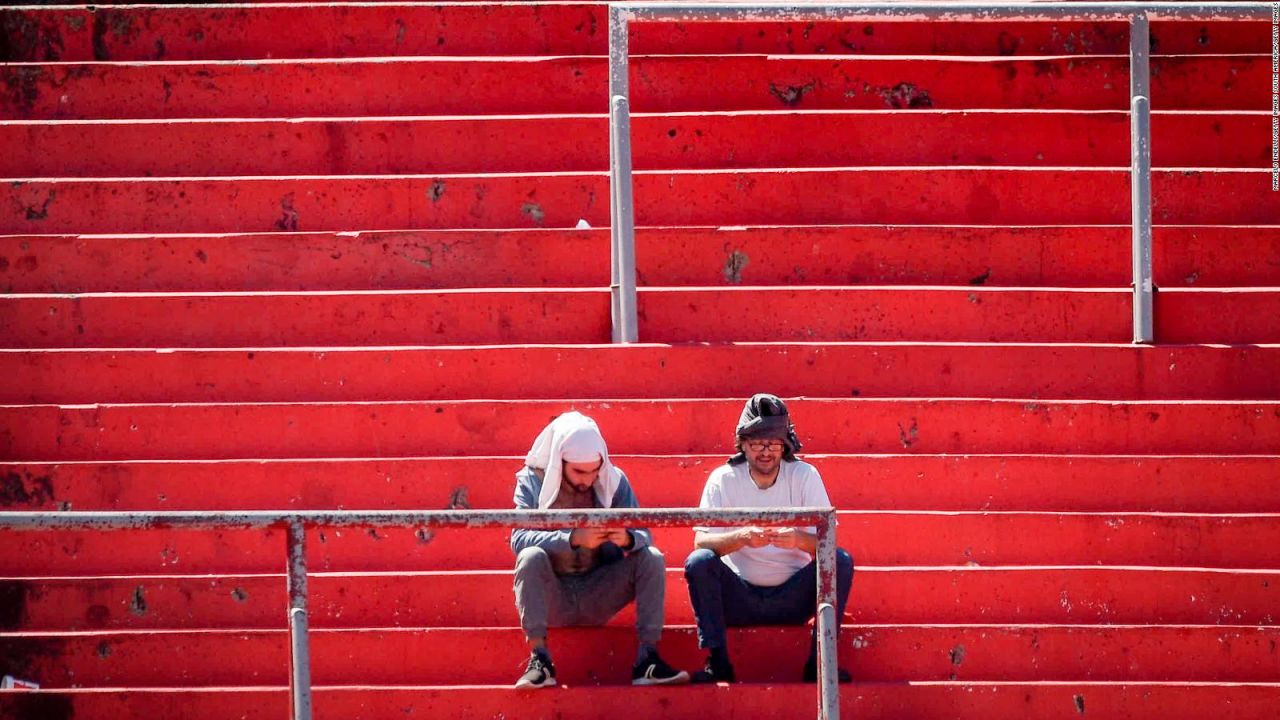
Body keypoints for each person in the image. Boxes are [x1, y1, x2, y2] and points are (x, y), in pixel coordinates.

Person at [510, 411, 689, 689]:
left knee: (651, 558)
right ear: (559, 462)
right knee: (529, 557)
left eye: (594, 471)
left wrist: (626, 539)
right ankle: (540, 659)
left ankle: (648, 659)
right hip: (553, 592)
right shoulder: (532, 481)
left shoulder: (613, 481)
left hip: (600, 590)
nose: (588, 480)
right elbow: (518, 539)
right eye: (579, 472)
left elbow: (644, 534)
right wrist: (573, 538)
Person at [684, 394, 854, 683]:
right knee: (699, 562)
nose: (765, 452)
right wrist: (741, 538)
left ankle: (819, 665)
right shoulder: (722, 478)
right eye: (756, 444)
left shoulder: (804, 475)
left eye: (773, 444)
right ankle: (718, 662)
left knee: (841, 561)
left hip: (792, 598)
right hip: (739, 598)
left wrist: (797, 539)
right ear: (743, 445)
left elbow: (828, 545)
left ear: (784, 445)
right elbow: (700, 543)